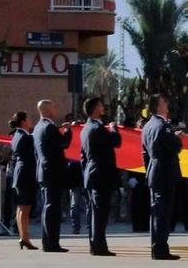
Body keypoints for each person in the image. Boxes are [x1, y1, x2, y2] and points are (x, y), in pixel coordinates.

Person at [142, 94, 183, 261]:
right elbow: (174, 147)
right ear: (158, 106)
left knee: (157, 212)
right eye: (164, 102)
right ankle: (160, 249)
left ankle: (157, 247)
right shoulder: (162, 126)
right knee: (163, 213)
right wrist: (177, 138)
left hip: (155, 171)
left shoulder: (147, 126)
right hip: (165, 172)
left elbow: (145, 153)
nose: (167, 105)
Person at [80, 97, 122, 256]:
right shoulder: (97, 128)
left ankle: (96, 245)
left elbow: (83, 156)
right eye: (101, 105)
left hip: (92, 174)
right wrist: (113, 128)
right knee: (99, 212)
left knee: (96, 211)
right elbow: (116, 141)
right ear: (96, 108)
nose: (104, 106)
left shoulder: (87, 128)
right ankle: (98, 247)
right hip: (101, 175)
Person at [34, 99, 73, 253]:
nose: (56, 108)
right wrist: (68, 132)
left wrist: (60, 130)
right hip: (53, 173)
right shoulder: (49, 127)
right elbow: (63, 143)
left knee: (48, 208)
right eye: (53, 106)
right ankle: (52, 243)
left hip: (45, 172)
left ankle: (48, 242)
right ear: (48, 109)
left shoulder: (39, 126)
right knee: (53, 209)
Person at [9, 111, 37, 250]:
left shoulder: (17, 135)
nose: (31, 121)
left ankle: (24, 237)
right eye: (29, 119)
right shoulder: (25, 137)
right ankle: (24, 237)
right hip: (25, 175)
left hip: (20, 175)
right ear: (23, 121)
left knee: (21, 208)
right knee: (24, 208)